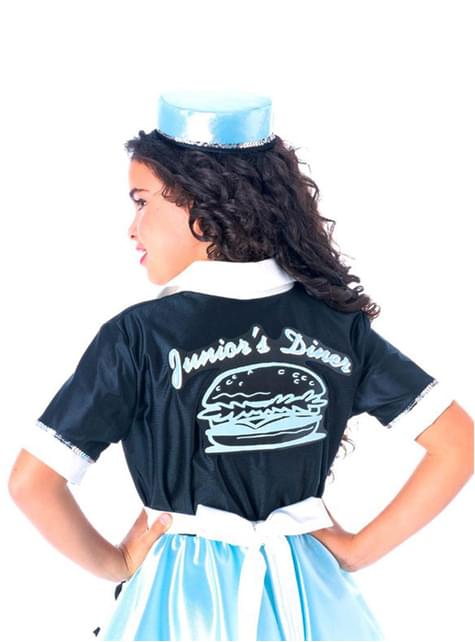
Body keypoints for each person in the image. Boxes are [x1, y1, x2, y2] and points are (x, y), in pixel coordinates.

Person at [8, 89, 473, 641]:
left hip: (180, 602)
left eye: (141, 202)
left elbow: (32, 482)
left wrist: (117, 563)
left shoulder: (138, 337)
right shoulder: (336, 326)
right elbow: (458, 443)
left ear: (199, 205)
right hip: (309, 599)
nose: (131, 228)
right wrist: (357, 551)